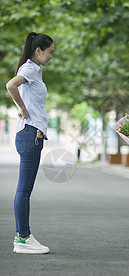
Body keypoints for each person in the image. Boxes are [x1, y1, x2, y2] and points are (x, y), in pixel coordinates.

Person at [6, 32, 54, 254]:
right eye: (50, 52)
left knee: (25, 189)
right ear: (38, 51)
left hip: (31, 134)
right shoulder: (29, 69)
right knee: (24, 190)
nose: (51, 56)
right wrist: (23, 109)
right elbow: (11, 85)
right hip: (29, 133)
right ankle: (23, 237)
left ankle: (22, 236)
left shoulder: (35, 70)